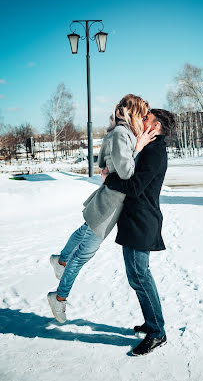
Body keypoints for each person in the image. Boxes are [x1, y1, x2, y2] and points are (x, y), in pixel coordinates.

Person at [47, 94, 156, 323]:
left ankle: (60, 260)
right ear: (134, 113)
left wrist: (116, 165)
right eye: (143, 114)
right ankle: (59, 298)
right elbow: (126, 172)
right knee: (83, 255)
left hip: (108, 202)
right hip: (108, 206)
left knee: (84, 232)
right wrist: (138, 147)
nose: (145, 119)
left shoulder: (120, 132)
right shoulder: (121, 133)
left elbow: (103, 165)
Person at [102, 108, 176, 356]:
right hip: (136, 220)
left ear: (155, 127)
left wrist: (110, 179)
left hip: (142, 221)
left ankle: (157, 332)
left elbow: (134, 187)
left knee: (140, 276)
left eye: (146, 119)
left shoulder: (154, 152)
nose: (141, 120)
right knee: (137, 276)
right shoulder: (149, 147)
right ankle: (151, 322)